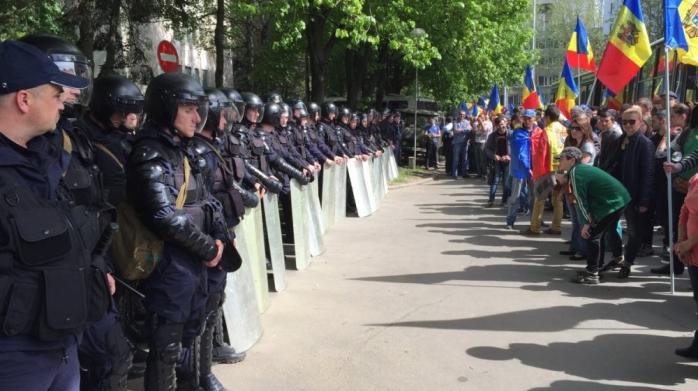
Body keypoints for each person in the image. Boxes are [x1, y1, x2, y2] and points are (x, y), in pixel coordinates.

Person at [0, 40, 110, 390]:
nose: (63, 101)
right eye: (55, 93)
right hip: (16, 360)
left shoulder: (46, 162)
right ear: (24, 99)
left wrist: (90, 274)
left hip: (61, 346)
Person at [126, 72, 229, 390]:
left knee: (192, 334)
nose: (197, 117)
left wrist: (222, 239)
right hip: (169, 266)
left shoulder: (182, 149)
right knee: (166, 348)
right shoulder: (151, 153)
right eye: (188, 108)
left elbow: (208, 201)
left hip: (192, 264)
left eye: (198, 109)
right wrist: (208, 249)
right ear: (165, 108)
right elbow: (163, 215)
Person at [555, 147, 630, 284]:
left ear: (571, 160)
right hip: (618, 198)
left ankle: (592, 272)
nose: (559, 162)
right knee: (604, 231)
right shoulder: (578, 170)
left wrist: (586, 224)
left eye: (561, 159)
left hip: (613, 201)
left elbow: (581, 201)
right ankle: (608, 263)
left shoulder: (576, 173)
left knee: (591, 235)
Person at [617, 105, 655, 279]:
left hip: (637, 197)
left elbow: (648, 174)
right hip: (623, 195)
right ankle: (620, 259)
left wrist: (644, 201)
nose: (628, 125)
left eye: (632, 122)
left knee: (635, 233)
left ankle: (627, 263)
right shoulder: (623, 140)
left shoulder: (645, 143)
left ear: (640, 122)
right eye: (624, 122)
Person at [674, 173, 698, 359]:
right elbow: (685, 210)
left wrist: (688, 244)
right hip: (694, 257)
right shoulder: (696, 179)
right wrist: (681, 242)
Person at [505, 109, 534, 229]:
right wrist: (528, 168)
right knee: (515, 196)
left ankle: (536, 221)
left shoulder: (538, 132)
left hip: (535, 169)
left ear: (534, 119)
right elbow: (520, 153)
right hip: (521, 169)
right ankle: (510, 221)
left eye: (529, 118)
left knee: (534, 196)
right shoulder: (518, 132)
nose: (527, 120)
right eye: (525, 118)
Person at [484, 115, 510, 207]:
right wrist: (493, 155)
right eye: (499, 125)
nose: (501, 126)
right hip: (497, 161)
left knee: (506, 183)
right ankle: (491, 200)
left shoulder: (510, 134)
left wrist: (509, 156)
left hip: (507, 162)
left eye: (503, 124)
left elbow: (516, 148)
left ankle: (504, 201)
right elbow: (487, 149)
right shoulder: (492, 135)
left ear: (506, 123)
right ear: (496, 126)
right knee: (495, 180)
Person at [451, 110, 471, 177]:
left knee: (465, 159)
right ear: (458, 115)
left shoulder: (467, 122)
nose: (461, 115)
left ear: (465, 115)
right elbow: (455, 131)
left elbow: (469, 130)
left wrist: (461, 130)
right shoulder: (455, 122)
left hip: (465, 143)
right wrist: (464, 130)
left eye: (463, 114)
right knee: (456, 159)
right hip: (457, 143)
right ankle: (454, 174)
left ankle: (464, 173)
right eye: (460, 114)